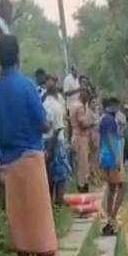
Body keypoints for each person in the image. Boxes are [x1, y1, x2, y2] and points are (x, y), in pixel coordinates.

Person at [0, 35, 59, 256]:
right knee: (39, 222)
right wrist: (48, 126)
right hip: (31, 157)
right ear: (17, 56)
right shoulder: (27, 86)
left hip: (9, 163)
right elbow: (42, 123)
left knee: (19, 224)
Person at [99, 97, 124, 235]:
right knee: (122, 186)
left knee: (112, 187)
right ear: (111, 105)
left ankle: (110, 218)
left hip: (105, 156)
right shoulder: (108, 119)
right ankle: (112, 216)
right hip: (110, 157)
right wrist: (116, 157)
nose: (118, 109)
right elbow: (108, 138)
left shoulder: (105, 119)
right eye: (117, 106)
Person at [43, 76, 69, 205]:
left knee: (50, 177)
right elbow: (58, 128)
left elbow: (52, 127)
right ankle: (58, 205)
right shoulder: (56, 105)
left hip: (48, 142)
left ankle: (52, 205)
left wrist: (48, 148)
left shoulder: (45, 105)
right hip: (56, 142)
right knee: (60, 177)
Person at [69, 88, 93, 193]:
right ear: (82, 95)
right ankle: (82, 187)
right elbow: (83, 123)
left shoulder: (73, 105)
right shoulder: (79, 107)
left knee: (80, 164)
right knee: (83, 165)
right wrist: (91, 123)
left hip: (76, 136)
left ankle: (81, 185)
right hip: (80, 137)